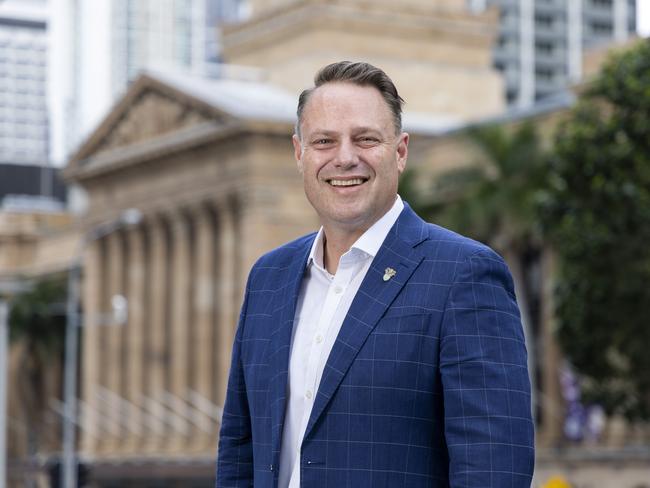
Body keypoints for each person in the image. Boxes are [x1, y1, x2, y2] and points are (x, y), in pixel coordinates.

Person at [216, 61, 534, 488]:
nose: (345, 158)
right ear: (299, 153)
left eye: (365, 139)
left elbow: (494, 469)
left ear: (400, 152)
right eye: (324, 141)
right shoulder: (268, 278)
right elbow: (239, 448)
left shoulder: (464, 275)